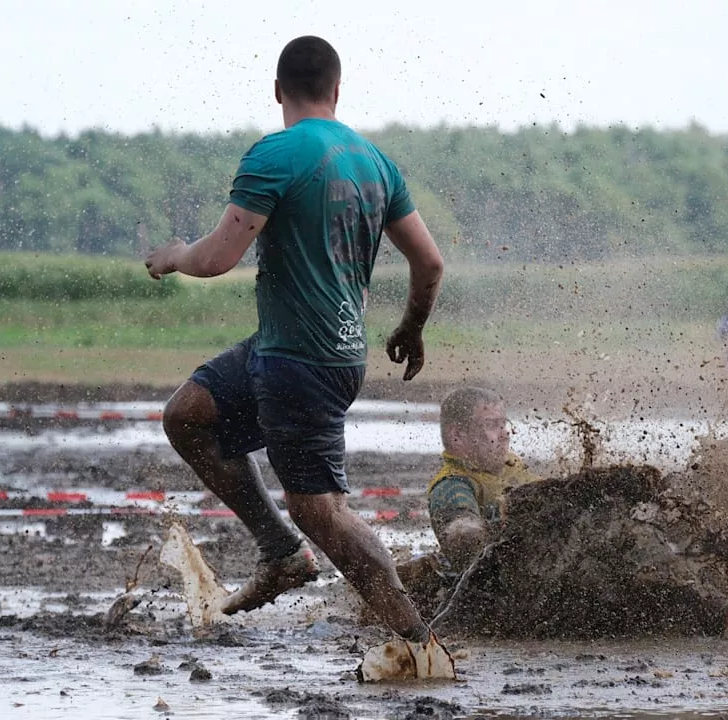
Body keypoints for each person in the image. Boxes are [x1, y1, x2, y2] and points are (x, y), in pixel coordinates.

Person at [144, 37, 446, 648]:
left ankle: (420, 644)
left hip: (301, 363)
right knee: (187, 414)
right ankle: (279, 552)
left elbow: (217, 258)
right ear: (337, 90)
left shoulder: (275, 154)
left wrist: (175, 254)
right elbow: (430, 262)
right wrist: (411, 326)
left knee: (321, 511)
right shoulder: (375, 162)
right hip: (300, 350)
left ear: (278, 90)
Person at [427, 387, 541, 573]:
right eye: (491, 425)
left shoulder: (512, 466)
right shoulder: (451, 485)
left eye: (503, 424)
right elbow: (462, 536)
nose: (505, 434)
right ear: (457, 435)